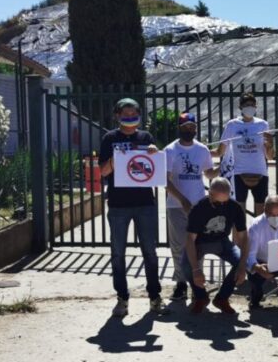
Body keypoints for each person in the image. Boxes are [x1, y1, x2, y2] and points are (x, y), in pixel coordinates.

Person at [98, 98, 169, 317]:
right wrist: (114, 160)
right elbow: (102, 172)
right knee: (118, 252)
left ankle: (155, 297)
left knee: (150, 252)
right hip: (118, 204)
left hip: (145, 203)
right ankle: (122, 298)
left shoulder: (145, 137)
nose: (129, 117)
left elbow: (153, 166)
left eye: (133, 113)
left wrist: (153, 153)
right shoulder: (109, 138)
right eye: (125, 113)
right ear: (117, 115)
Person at [164, 112, 217, 303]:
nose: (189, 130)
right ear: (179, 128)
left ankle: (197, 281)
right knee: (178, 245)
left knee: (198, 245)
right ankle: (181, 283)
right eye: (185, 127)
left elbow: (208, 174)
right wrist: (182, 199)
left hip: (198, 205)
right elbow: (165, 179)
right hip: (176, 205)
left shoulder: (202, 150)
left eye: (192, 127)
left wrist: (222, 167)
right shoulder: (170, 150)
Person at [182, 177, 249, 315]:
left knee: (240, 262)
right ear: (210, 194)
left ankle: (222, 298)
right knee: (186, 265)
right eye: (218, 202)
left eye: (225, 201)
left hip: (222, 241)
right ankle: (201, 297)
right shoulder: (198, 208)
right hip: (200, 242)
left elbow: (244, 237)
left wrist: (242, 266)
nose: (222, 205)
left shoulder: (235, 207)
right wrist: (196, 269)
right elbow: (190, 239)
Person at [213, 92, 274, 216]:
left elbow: (270, 156)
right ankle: (240, 236)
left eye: (252, 105)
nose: (250, 107)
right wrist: (200, 150)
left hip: (260, 172)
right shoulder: (232, 125)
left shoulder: (262, 124)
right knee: (239, 215)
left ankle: (258, 236)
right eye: (247, 105)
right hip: (239, 174)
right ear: (240, 107)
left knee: (261, 215)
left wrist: (270, 144)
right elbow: (220, 151)